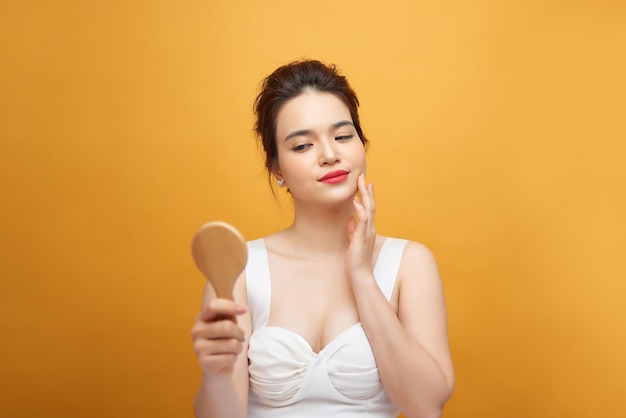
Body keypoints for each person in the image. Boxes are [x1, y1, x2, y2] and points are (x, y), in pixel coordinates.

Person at [190, 59, 455, 418]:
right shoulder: (240, 267)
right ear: (277, 168)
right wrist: (216, 374)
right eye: (302, 146)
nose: (330, 155)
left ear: (362, 144)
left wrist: (362, 277)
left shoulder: (410, 262)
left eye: (343, 136)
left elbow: (426, 406)